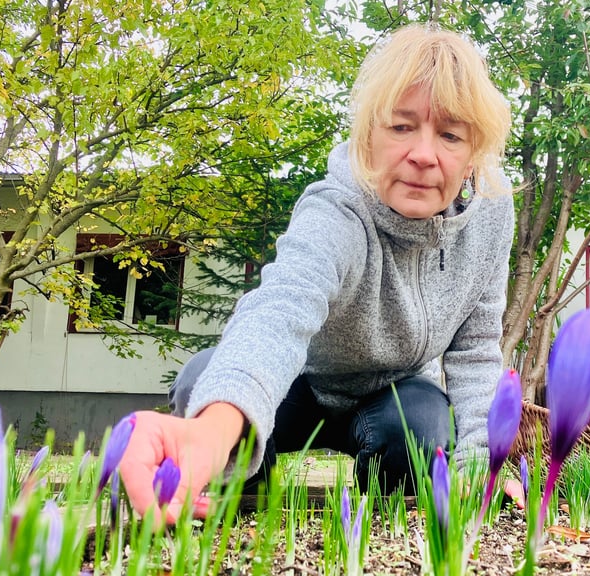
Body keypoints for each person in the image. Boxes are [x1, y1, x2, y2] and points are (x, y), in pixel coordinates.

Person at [120, 23, 516, 524]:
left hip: (393, 394)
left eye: (450, 134)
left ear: (473, 153)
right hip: (298, 383)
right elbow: (282, 305)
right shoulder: (338, 210)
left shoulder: (490, 216)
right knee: (202, 380)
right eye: (400, 126)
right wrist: (210, 433)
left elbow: (477, 348)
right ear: (368, 134)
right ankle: (234, 505)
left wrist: (481, 467)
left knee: (421, 429)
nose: (423, 153)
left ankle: (382, 529)